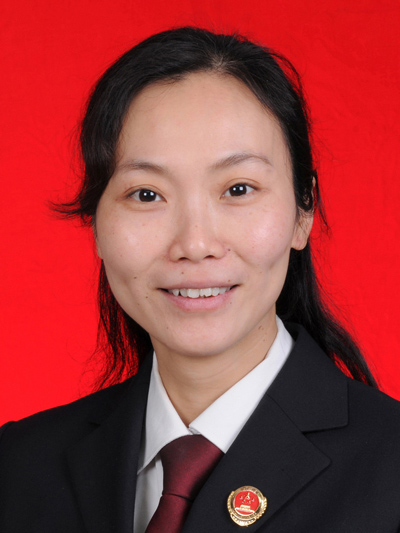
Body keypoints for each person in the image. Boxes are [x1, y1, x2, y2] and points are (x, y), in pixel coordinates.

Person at [0, 26, 399, 533]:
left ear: (304, 211)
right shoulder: (19, 467)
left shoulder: (390, 470)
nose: (194, 243)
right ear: (95, 223)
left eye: (238, 189)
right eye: (146, 194)